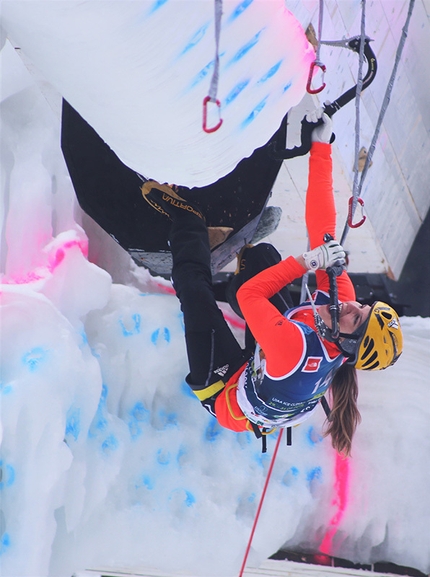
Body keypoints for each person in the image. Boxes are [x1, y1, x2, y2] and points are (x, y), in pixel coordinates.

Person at [141, 108, 403, 457]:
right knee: (263, 259)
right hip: (271, 364)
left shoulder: (294, 348)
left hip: (229, 392)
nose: (354, 305)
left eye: (357, 317)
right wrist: (320, 150)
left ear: (348, 342)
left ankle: (186, 221)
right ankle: (236, 249)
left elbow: (254, 295)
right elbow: (322, 229)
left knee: (194, 289)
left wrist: (308, 262)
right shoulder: (341, 308)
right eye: (364, 307)